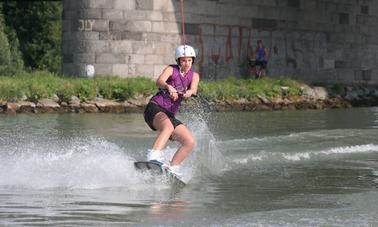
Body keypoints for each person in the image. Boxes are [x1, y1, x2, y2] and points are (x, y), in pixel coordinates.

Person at [143, 45, 200, 177]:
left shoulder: (194, 76)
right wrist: (168, 86)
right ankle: (153, 157)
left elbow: (194, 89)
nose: (187, 63)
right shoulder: (171, 69)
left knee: (189, 141)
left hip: (169, 114)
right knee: (167, 127)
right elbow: (159, 81)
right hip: (154, 108)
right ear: (179, 61)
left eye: (189, 60)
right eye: (184, 60)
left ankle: (173, 168)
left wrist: (189, 92)